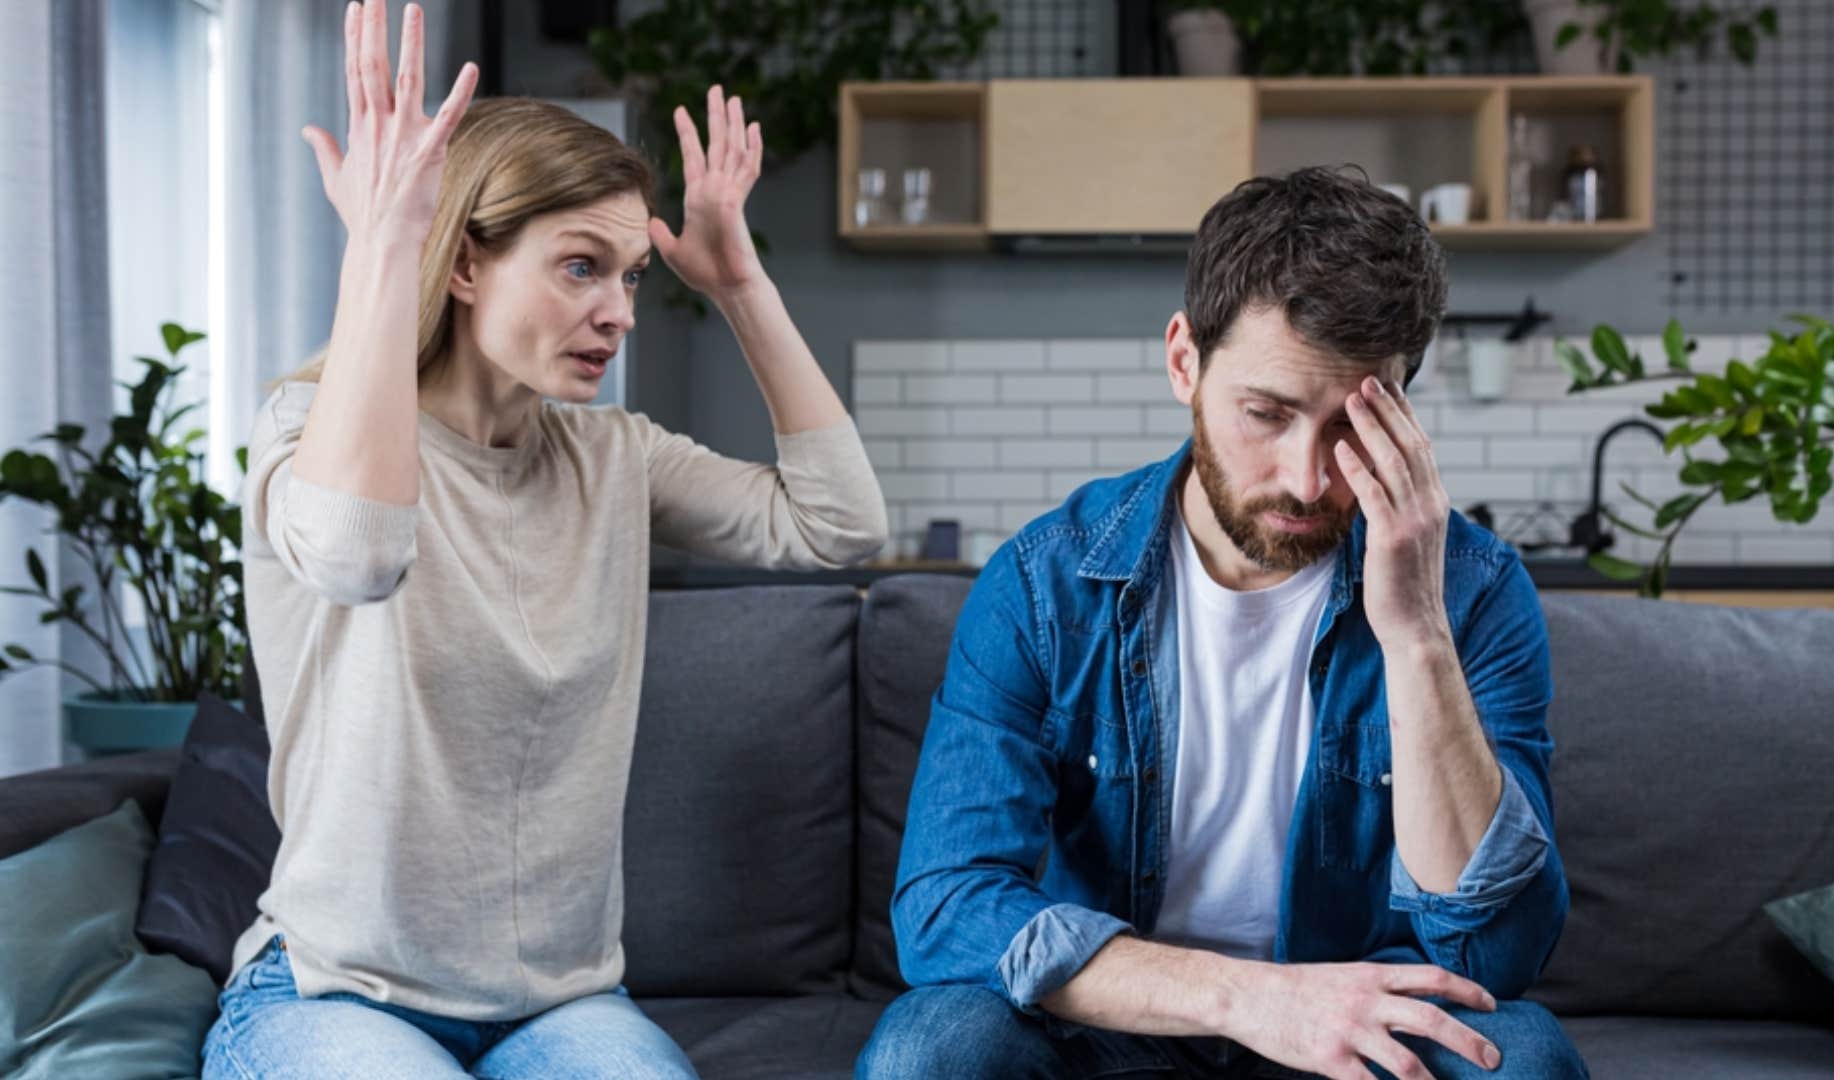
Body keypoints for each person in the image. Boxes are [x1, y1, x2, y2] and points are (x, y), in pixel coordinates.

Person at [201, 1, 887, 1076]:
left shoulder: (613, 457)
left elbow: (841, 528)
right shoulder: (309, 429)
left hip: (559, 1005)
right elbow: (361, 555)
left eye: (630, 277)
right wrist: (386, 246)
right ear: (465, 265)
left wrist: (741, 285)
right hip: (335, 989)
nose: (618, 309)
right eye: (579, 267)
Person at [860, 166, 1587, 1080]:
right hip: (1119, 1023)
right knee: (933, 1048)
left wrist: (1416, 636)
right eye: (1267, 414)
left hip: (1355, 1027)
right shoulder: (1045, 586)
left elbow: (1498, 956)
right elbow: (946, 907)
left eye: (1350, 427)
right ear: (1183, 362)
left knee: (1520, 1059)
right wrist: (1252, 998)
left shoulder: (1474, 590)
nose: (1308, 477)